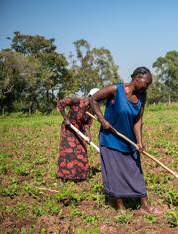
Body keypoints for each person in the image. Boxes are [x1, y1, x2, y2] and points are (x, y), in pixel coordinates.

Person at [89, 67, 161, 215]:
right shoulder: (116, 89)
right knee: (115, 173)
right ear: (137, 78)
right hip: (111, 138)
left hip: (129, 140)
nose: (147, 86)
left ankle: (144, 204)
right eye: (147, 83)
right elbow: (93, 99)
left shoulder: (142, 96)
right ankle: (120, 206)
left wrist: (139, 141)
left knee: (135, 171)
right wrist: (102, 120)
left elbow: (138, 120)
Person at [56, 88, 99, 181]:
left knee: (81, 152)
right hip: (68, 130)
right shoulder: (77, 101)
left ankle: (80, 177)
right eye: (96, 98)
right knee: (68, 153)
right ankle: (63, 176)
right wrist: (65, 118)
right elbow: (61, 103)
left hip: (79, 132)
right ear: (90, 96)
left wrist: (88, 135)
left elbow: (87, 125)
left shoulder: (92, 110)